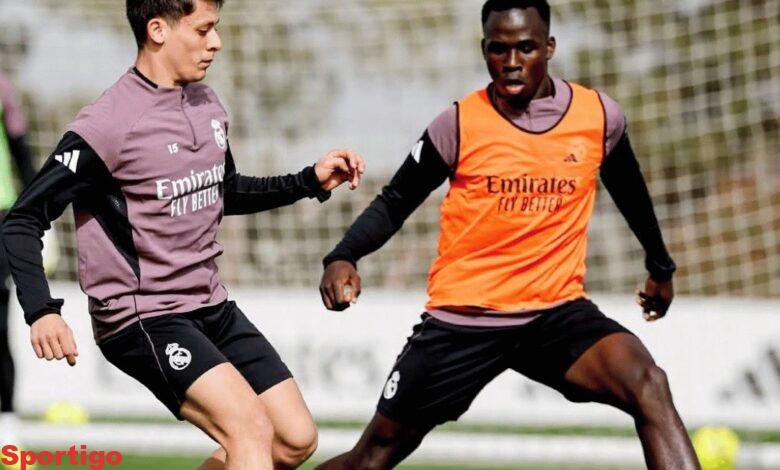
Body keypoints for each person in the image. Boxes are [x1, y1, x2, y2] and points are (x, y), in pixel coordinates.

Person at [317, 1, 699, 468]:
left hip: (555, 315)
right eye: (499, 49)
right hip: (465, 321)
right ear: (485, 50)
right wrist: (343, 256)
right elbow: (395, 201)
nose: (512, 61)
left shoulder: (599, 117)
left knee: (649, 385)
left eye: (526, 48)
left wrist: (660, 267)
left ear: (549, 47)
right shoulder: (458, 124)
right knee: (370, 459)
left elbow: (631, 192)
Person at [1, 1, 365, 469]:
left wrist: (307, 181)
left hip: (209, 304)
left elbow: (224, 192)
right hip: (142, 315)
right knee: (249, 431)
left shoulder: (207, 103)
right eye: (203, 30)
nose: (216, 42)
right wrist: (41, 311)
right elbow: (23, 218)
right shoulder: (107, 124)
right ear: (158, 30)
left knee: (294, 438)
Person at [0, 71, 37, 449]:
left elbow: (21, 154)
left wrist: (37, 219)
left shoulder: (2, 87)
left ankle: (6, 424)